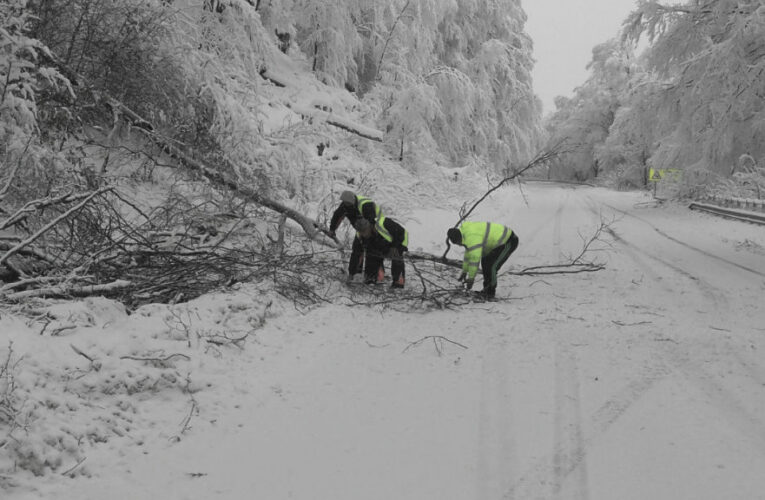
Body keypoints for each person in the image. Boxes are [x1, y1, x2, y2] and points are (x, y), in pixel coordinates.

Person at [447, 221, 519, 299]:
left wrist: (471, 279)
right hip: (495, 244)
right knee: (485, 262)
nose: (459, 245)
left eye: (458, 243)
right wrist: (464, 271)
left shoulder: (472, 237)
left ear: (459, 238)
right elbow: (469, 255)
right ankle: (486, 290)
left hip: (508, 241)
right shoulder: (464, 233)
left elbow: (474, 260)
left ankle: (490, 293)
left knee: (492, 267)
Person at [329, 190, 383, 280]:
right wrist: (332, 229)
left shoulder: (366, 205)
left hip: (376, 229)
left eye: (348, 203)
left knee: (373, 252)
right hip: (362, 229)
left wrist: (369, 236)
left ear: (353, 201)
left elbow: (373, 221)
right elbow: (337, 216)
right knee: (357, 250)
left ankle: (374, 277)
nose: (346, 205)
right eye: (345, 203)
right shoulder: (345, 206)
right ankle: (354, 274)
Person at [354, 216, 408, 288]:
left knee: (397, 257)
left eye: (365, 231)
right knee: (371, 254)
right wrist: (352, 273)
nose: (363, 234)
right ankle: (371, 279)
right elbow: (356, 253)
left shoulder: (383, 223)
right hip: (379, 245)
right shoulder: (359, 235)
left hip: (395, 243)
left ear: (369, 226)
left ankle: (398, 283)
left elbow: (402, 233)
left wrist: (396, 247)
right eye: (361, 232)